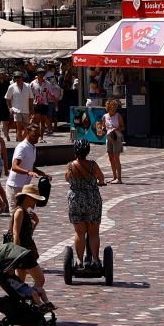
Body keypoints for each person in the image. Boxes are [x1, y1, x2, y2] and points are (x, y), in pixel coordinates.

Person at [0, 183, 49, 307]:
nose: (35, 203)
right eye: (34, 199)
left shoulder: (24, 212)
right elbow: (15, 234)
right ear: (27, 197)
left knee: (20, 282)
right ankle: (33, 299)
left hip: (24, 251)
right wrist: (16, 257)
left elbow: (27, 234)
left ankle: (22, 305)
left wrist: (36, 222)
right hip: (22, 254)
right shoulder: (20, 212)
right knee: (40, 279)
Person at [65, 139, 106, 270]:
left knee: (79, 232)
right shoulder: (93, 165)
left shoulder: (71, 166)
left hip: (76, 200)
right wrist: (98, 182)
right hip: (92, 200)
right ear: (88, 151)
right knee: (94, 232)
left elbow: (67, 179)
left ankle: (79, 260)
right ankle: (95, 260)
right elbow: (101, 178)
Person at [5, 124, 44, 212]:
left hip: (25, 187)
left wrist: (43, 174)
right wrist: (28, 172)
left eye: (39, 135)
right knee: (15, 215)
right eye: (34, 135)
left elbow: (30, 166)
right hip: (15, 187)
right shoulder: (22, 147)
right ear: (27, 133)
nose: (37, 137)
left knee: (26, 215)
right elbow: (14, 166)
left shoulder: (32, 147)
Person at [102, 97, 125, 183]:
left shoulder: (118, 116)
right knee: (111, 158)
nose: (114, 108)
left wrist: (116, 129)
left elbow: (123, 127)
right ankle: (114, 177)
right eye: (112, 107)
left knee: (116, 158)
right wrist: (102, 128)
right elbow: (103, 127)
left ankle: (119, 178)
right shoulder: (105, 116)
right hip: (109, 138)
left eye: (115, 107)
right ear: (108, 107)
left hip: (117, 138)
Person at [6, 71, 32, 143]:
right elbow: (7, 98)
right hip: (16, 110)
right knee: (19, 127)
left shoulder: (28, 86)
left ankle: (23, 140)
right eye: (16, 77)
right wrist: (10, 108)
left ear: (22, 78)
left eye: (19, 77)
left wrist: (31, 109)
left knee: (27, 128)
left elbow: (31, 98)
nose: (17, 79)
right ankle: (20, 142)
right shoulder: (11, 87)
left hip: (26, 109)